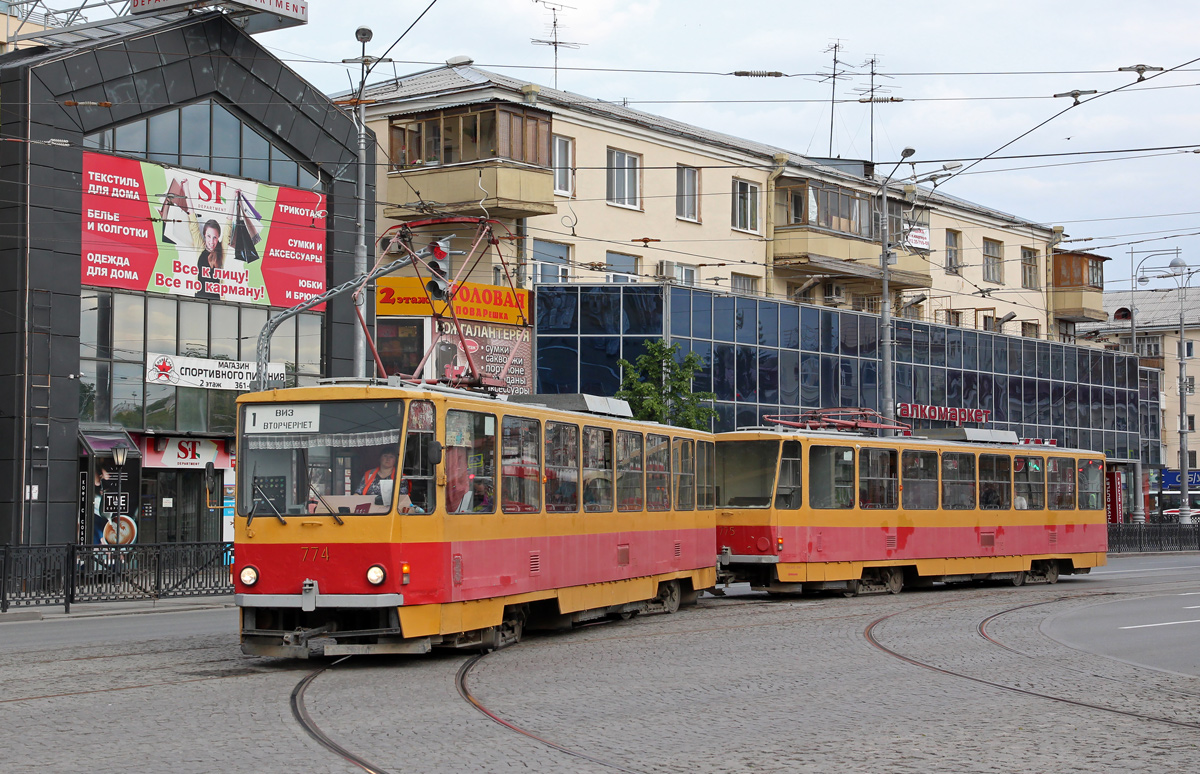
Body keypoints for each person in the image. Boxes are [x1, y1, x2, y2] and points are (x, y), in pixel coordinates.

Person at [195, 219, 224, 299]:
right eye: (209, 236)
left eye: (215, 237)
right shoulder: (200, 247)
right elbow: (193, 228)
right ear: (204, 234)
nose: (211, 241)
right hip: (198, 298)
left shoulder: (221, 252)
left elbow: (228, 229)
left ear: (218, 238)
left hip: (216, 301)